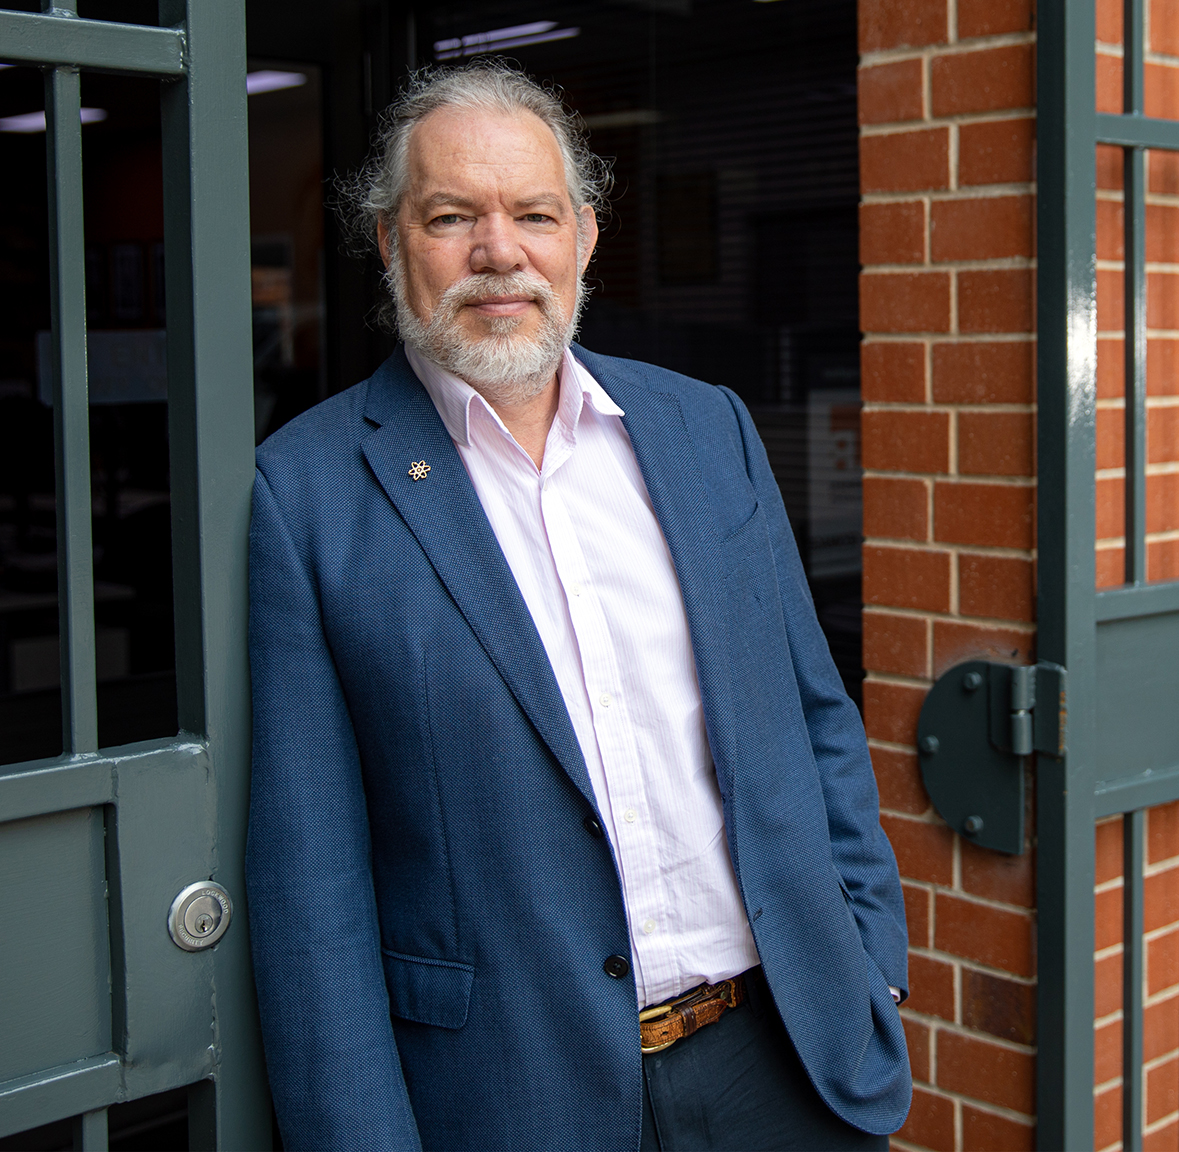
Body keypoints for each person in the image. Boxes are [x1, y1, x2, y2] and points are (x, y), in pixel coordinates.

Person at [245, 61, 910, 1152]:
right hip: (514, 1096)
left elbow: (812, 713)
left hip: (786, 1058)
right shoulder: (307, 493)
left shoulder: (709, 429)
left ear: (585, 238)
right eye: (452, 215)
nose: (499, 252)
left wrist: (870, 961)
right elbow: (311, 879)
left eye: (533, 215)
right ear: (388, 241)